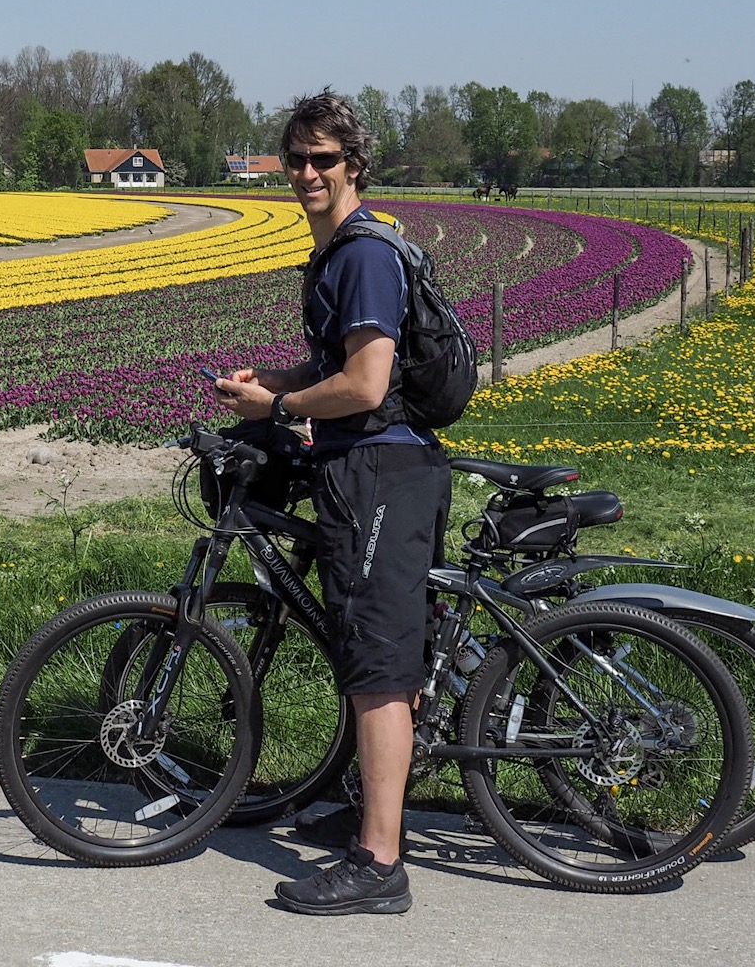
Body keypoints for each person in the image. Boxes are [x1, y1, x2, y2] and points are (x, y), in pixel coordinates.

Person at [210, 90, 451, 916]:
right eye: (297, 159)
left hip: (380, 471)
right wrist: (273, 382)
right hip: (371, 467)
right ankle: (378, 813)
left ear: (354, 165)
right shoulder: (343, 250)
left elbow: (367, 384)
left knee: (379, 668)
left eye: (324, 159)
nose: (308, 173)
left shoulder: (362, 256)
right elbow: (336, 368)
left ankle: (379, 864)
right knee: (374, 652)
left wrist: (279, 407)